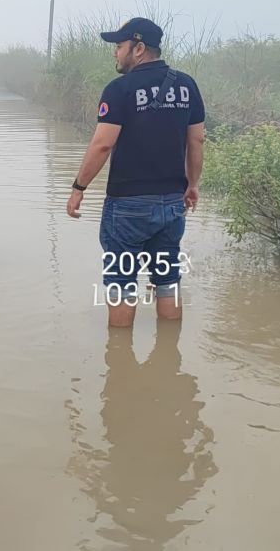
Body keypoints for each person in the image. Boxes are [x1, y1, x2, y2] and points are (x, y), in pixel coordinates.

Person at [65, 17, 206, 328]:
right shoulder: (187, 85)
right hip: (172, 202)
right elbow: (196, 139)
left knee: (122, 283)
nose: (115, 53)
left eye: (119, 46)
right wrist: (192, 184)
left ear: (139, 48)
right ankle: (168, 357)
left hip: (128, 206)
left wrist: (79, 187)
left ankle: (118, 362)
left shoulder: (120, 89)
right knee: (168, 278)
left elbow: (102, 144)